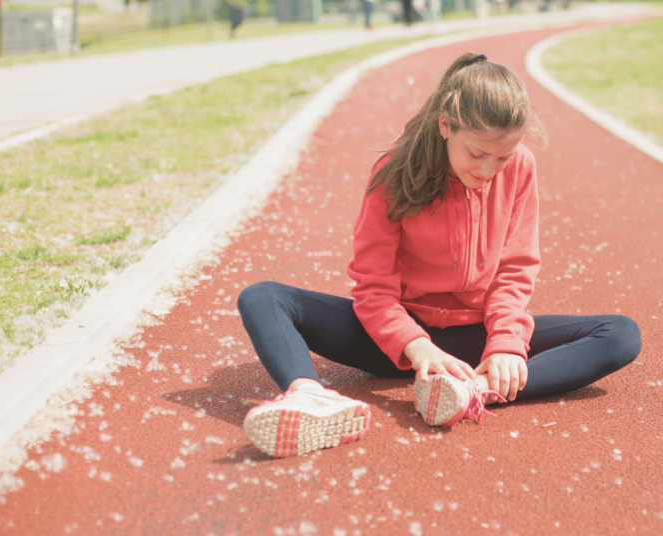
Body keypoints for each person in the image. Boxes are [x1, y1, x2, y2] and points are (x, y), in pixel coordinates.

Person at [237, 53, 641, 459]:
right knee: (262, 297)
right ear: (446, 125)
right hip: (396, 343)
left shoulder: (520, 168)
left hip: (473, 339)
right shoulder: (393, 173)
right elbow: (373, 288)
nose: (488, 170)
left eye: (501, 158)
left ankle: (473, 391)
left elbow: (514, 269)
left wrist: (504, 344)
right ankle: (311, 398)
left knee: (620, 334)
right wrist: (417, 347)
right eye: (477, 154)